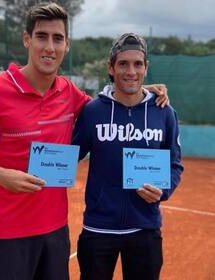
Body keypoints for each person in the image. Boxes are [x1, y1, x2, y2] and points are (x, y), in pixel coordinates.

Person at [0, 2, 169, 280]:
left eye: (57, 38)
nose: (49, 47)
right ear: (27, 39)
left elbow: (106, 107)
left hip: (55, 234)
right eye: (41, 36)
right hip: (7, 236)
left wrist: (136, 88)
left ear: (67, 45)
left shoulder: (68, 92)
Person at [72, 33, 184, 280]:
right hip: (98, 228)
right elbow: (70, 155)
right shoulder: (93, 111)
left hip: (145, 228)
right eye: (123, 63)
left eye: (137, 64)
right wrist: (32, 160)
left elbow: (175, 165)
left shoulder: (164, 112)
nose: (131, 71)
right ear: (110, 68)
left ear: (146, 68)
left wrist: (163, 191)